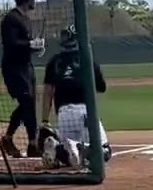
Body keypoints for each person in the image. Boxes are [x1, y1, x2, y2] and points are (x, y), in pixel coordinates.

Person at [39, 26, 111, 170]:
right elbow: (101, 87)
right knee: (104, 151)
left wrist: (45, 121)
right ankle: (75, 147)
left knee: (71, 155)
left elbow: (47, 94)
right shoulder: (87, 59)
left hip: (63, 115)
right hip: (85, 113)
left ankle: (56, 150)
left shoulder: (54, 62)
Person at [0, 0, 46, 158]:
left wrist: (36, 48)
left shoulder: (25, 19)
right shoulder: (11, 19)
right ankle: (31, 143)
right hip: (14, 68)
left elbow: (24, 45)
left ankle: (10, 138)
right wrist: (30, 44)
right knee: (27, 101)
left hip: (26, 67)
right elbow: (11, 44)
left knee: (29, 103)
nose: (35, 1)